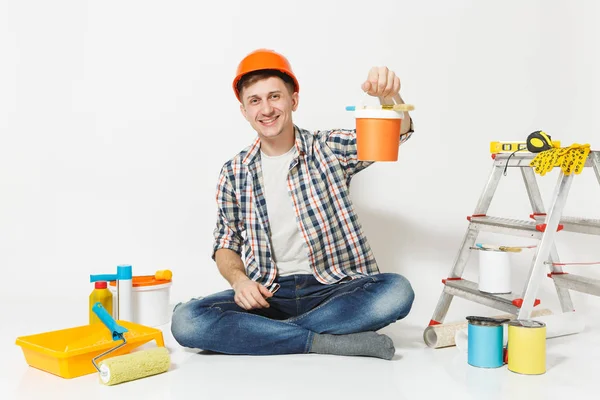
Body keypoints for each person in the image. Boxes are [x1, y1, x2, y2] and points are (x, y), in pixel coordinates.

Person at [171, 49, 415, 360]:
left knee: (397, 292)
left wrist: (390, 98)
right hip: (268, 296)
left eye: (275, 96)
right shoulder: (234, 172)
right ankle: (322, 340)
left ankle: (267, 334)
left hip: (334, 288)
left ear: (293, 100)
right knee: (186, 320)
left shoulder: (328, 148)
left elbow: (395, 136)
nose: (266, 108)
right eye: (255, 100)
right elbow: (225, 244)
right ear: (244, 111)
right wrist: (240, 280)